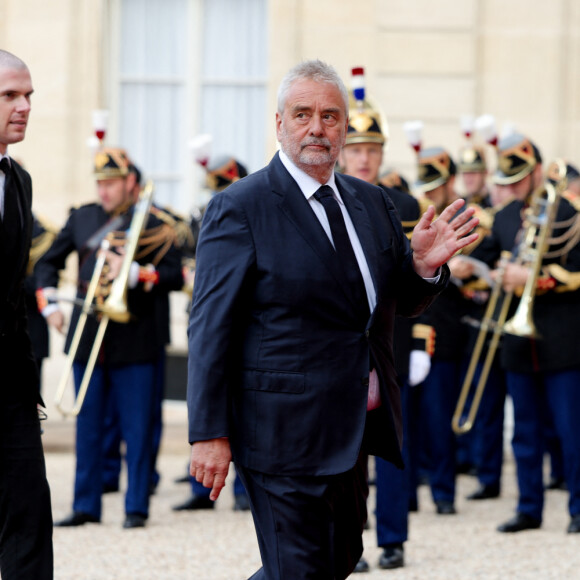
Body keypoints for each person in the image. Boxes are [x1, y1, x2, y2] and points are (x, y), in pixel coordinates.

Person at [186, 59, 478, 579]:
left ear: (345, 126)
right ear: (279, 123)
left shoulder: (372, 203)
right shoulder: (240, 207)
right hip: (277, 432)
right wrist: (208, 433)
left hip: (352, 426)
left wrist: (422, 268)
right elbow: (210, 326)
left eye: (329, 116)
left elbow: (388, 304)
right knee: (300, 569)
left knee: (335, 561)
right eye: (302, 114)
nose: (316, 128)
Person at [35, 147, 183, 529]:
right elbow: (47, 261)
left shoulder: (153, 222)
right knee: (87, 427)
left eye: (111, 183)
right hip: (89, 338)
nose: (104, 191)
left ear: (130, 182)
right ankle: (86, 504)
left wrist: (135, 274)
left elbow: (175, 275)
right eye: (100, 184)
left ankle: (136, 506)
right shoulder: (82, 218)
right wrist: (49, 304)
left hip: (136, 338)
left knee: (136, 429)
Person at [471, 133, 580, 534]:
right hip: (517, 342)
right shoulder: (502, 217)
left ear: (537, 171)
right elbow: (487, 263)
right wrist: (490, 273)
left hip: (562, 339)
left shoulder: (570, 214)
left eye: (519, 178)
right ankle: (528, 507)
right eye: (508, 179)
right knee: (525, 433)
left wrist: (532, 277)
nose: (512, 186)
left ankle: (578, 508)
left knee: (572, 430)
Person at [336, 75, 423, 572]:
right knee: (348, 452)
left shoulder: (402, 204)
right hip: (343, 350)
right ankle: (356, 539)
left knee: (392, 448)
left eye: (373, 149)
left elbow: (415, 283)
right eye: (357, 148)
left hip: (390, 344)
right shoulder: (329, 201)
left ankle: (394, 536)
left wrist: (421, 346)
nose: (364, 158)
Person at [0, 49, 53, 580]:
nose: (24, 107)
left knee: (29, 517)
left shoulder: (19, 180)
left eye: (29, 96)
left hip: (11, 389)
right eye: (10, 96)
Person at [173, 153, 250, 512]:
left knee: (244, 404)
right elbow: (185, 252)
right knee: (203, 395)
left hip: (243, 321)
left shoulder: (251, 210)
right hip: (205, 316)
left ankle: (243, 492)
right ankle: (201, 488)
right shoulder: (204, 214)